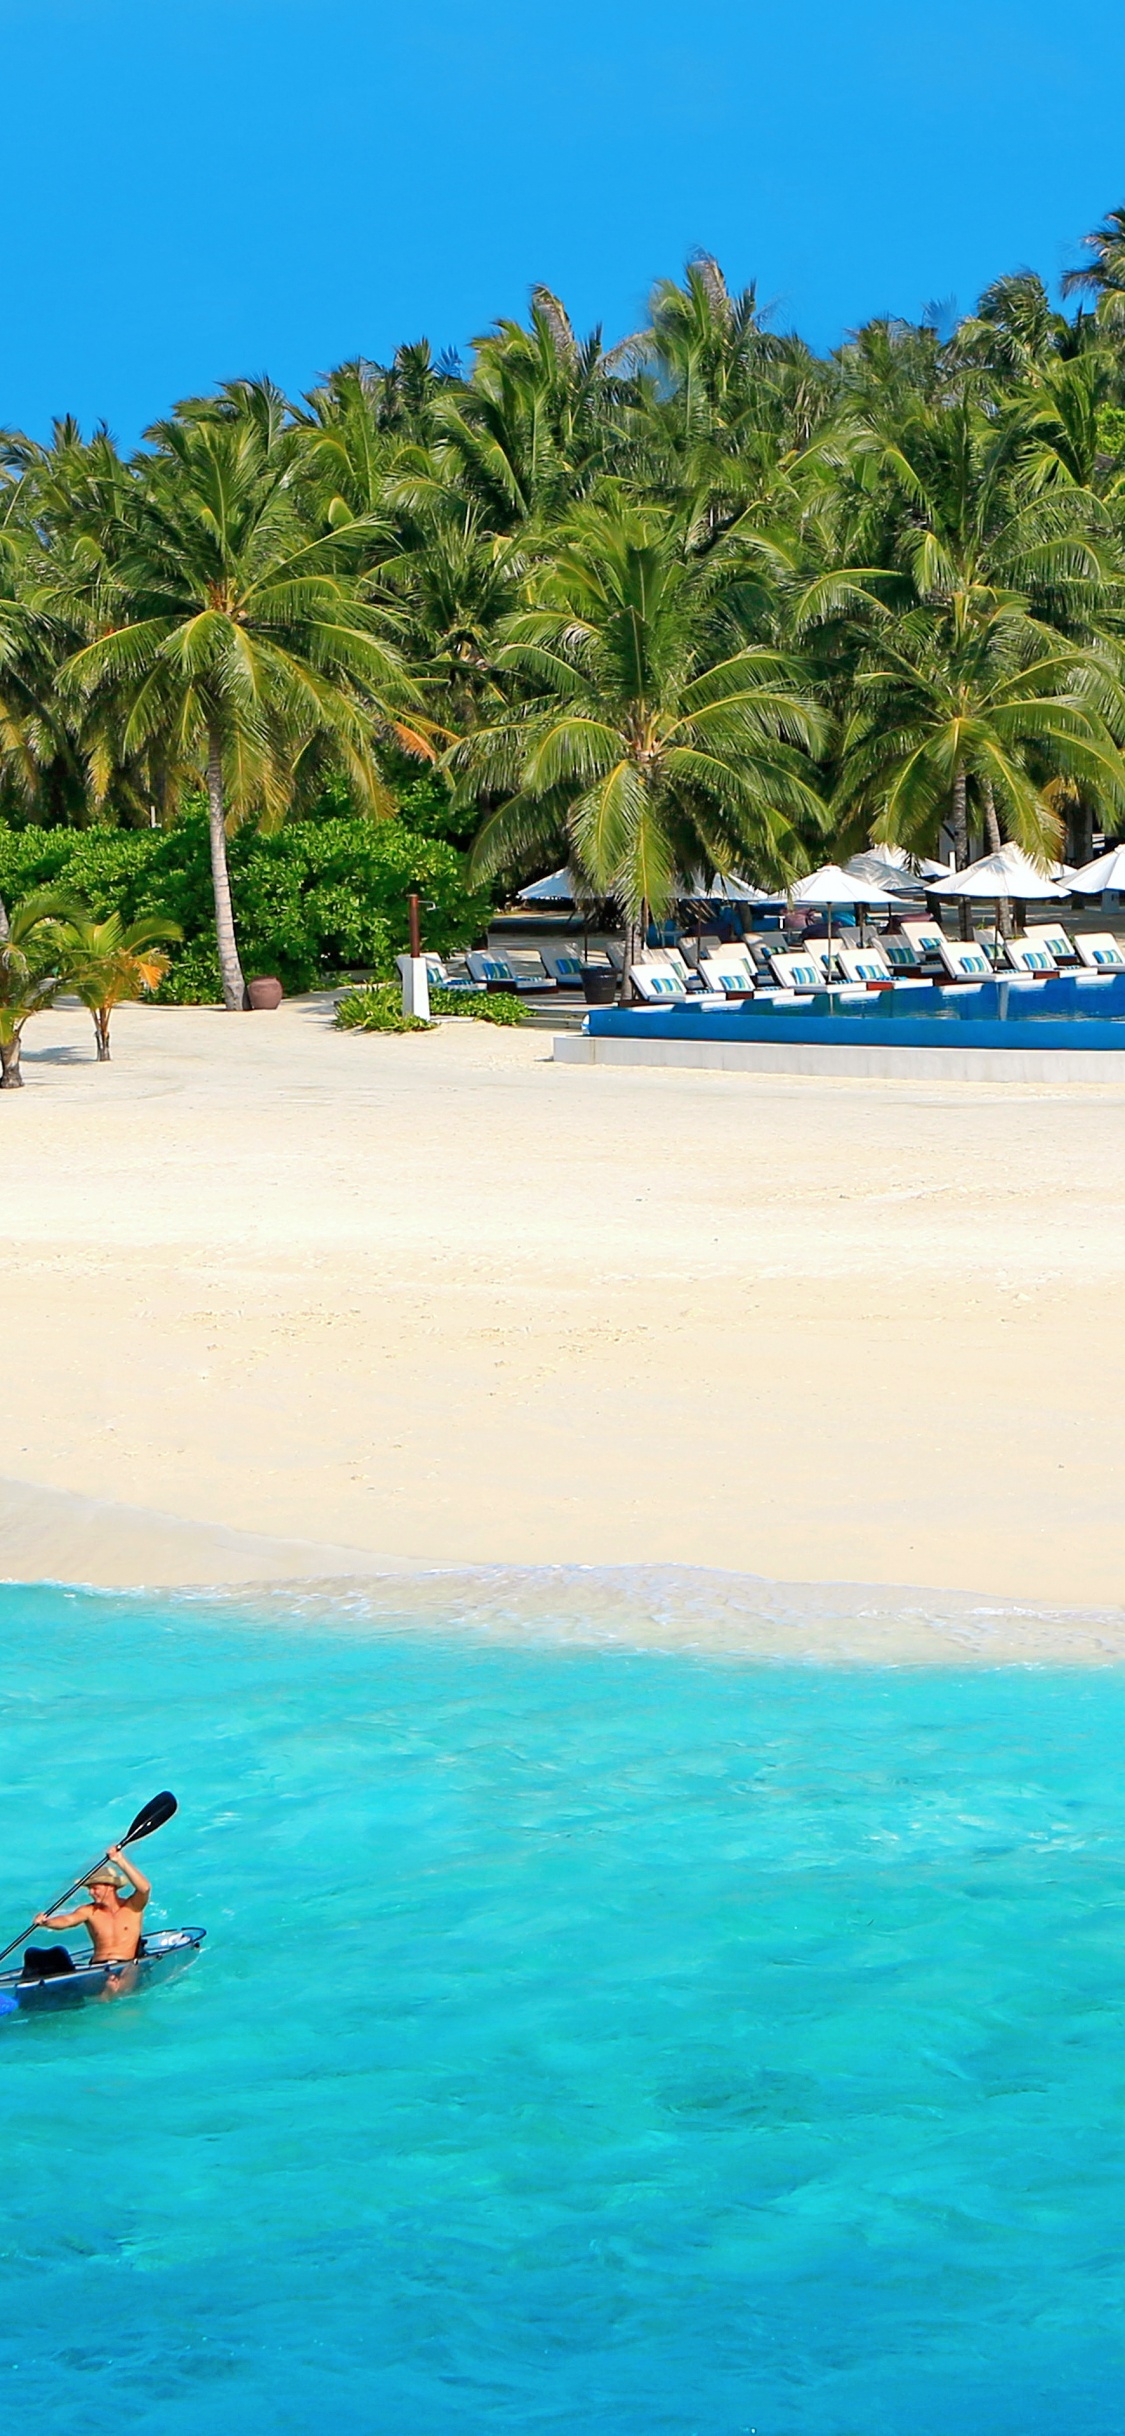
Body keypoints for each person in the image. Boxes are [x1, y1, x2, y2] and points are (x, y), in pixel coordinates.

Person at [33, 1846, 151, 1965]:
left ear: (110, 1887)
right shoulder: (89, 1911)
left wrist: (120, 1860)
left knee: (113, 1983)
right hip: (98, 1965)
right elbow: (67, 1920)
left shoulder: (133, 1906)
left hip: (125, 1963)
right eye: (89, 1889)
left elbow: (145, 1888)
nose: (90, 1893)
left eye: (95, 1888)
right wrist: (47, 1922)